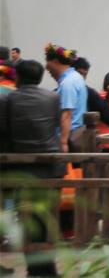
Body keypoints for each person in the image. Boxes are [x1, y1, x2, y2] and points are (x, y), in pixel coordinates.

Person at [0, 59, 65, 276]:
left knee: (27, 221)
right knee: (45, 219)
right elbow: (54, 127)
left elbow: (5, 132)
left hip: (18, 168)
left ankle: (34, 269)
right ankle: (46, 268)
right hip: (49, 168)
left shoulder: (8, 100)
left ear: (17, 77)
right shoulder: (53, 97)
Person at [44, 43, 87, 153]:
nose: (47, 68)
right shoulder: (76, 77)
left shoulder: (68, 83)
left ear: (55, 61)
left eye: (47, 63)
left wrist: (63, 143)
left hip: (68, 138)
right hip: (75, 134)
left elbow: (67, 113)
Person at [72, 57, 109, 133]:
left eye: (85, 74)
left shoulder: (89, 92)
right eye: (80, 73)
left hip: (75, 133)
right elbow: (103, 109)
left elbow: (103, 109)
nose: (82, 77)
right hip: (78, 132)